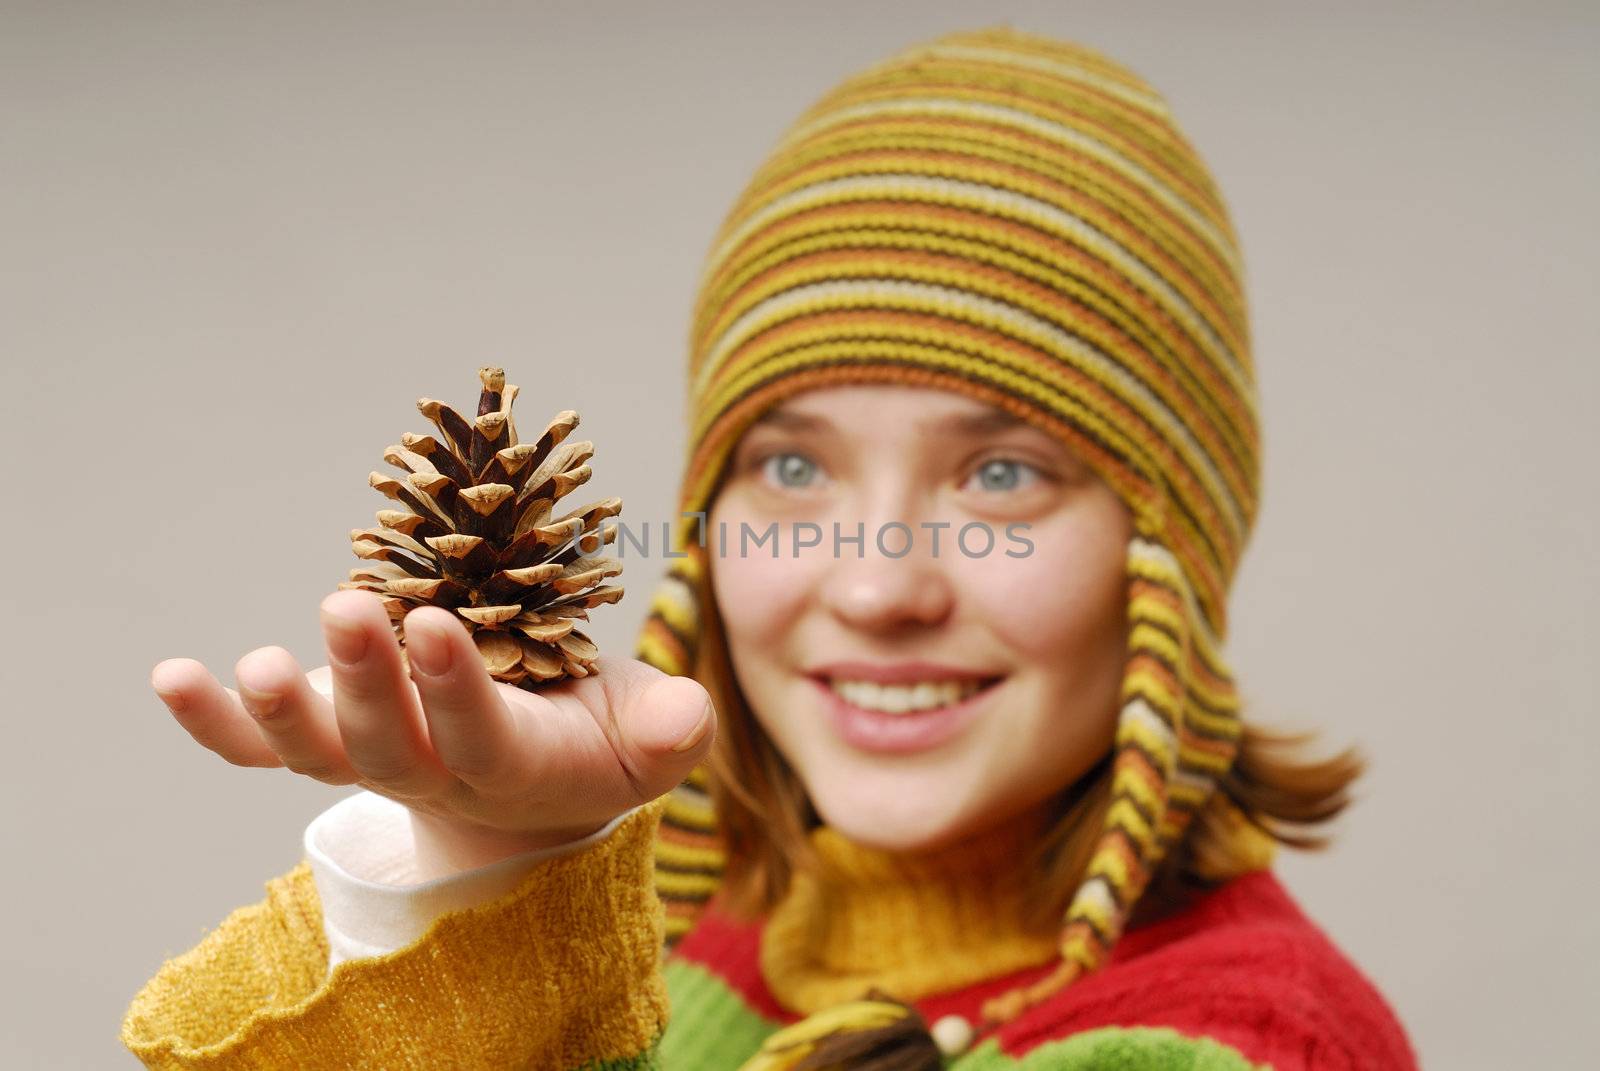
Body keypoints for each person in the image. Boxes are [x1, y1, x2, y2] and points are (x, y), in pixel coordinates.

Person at [120, 25, 1418, 1070]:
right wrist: (485, 860)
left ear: (1173, 558)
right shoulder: (690, 959)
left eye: (1005, 474)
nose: (873, 585)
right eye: (791, 466)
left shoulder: (1251, 1045)